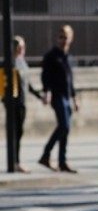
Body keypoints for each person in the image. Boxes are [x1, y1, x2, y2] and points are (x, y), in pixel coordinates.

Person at [39, 25, 79, 173]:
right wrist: (46, 92)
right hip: (57, 95)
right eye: (61, 36)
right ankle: (46, 154)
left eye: (66, 37)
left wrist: (75, 98)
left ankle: (62, 161)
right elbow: (45, 76)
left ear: (71, 38)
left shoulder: (68, 57)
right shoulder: (51, 56)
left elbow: (70, 80)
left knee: (66, 130)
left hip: (67, 95)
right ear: (57, 38)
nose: (63, 40)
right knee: (64, 125)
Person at [6, 36, 44, 173]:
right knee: (15, 133)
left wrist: (39, 96)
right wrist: (6, 100)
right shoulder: (9, 63)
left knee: (19, 132)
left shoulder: (21, 62)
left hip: (22, 101)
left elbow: (27, 84)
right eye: (20, 47)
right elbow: (2, 85)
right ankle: (15, 162)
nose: (22, 50)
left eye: (23, 47)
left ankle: (16, 161)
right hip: (14, 103)